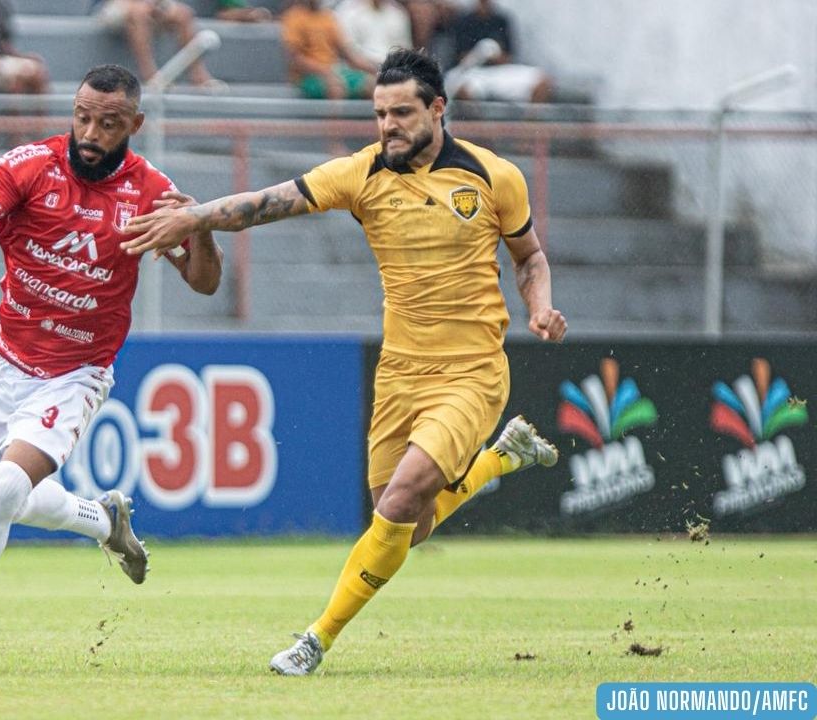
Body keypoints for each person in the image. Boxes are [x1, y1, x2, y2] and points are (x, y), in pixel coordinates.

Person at [122, 47, 567, 676]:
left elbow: (529, 257)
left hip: (472, 372)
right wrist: (197, 217)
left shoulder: (495, 177)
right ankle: (501, 457)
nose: (388, 126)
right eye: (380, 114)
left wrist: (540, 305)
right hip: (400, 373)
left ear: (438, 109)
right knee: (408, 528)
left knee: (404, 497)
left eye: (402, 113)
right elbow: (268, 203)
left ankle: (315, 639)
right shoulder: (362, 174)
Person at [0, 64, 224, 671]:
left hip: (77, 372)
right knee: (11, 503)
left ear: (135, 124)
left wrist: (200, 227)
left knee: (2, 493)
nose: (90, 131)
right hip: (4, 365)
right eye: (82, 116)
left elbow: (205, 283)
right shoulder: (31, 165)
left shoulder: (152, 193)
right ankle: (101, 519)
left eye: (108, 123)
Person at [91, 0, 224, 88]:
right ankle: (151, 77)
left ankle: (199, 77)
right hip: (110, 6)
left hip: (148, 4)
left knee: (183, 14)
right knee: (138, 13)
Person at [445, 0, 552, 103]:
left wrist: (495, 56)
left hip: (499, 73)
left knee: (542, 81)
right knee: (463, 91)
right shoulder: (464, 21)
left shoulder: (501, 20)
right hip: (474, 73)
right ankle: (478, 121)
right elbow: (460, 59)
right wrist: (480, 54)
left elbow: (509, 57)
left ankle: (529, 121)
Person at [280, 0, 381, 101]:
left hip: (334, 71)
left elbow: (347, 53)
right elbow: (296, 59)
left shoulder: (328, 17)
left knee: (373, 84)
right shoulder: (294, 17)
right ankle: (333, 117)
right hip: (307, 76)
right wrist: (325, 72)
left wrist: (374, 70)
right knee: (336, 88)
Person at [334, 0, 413, 69]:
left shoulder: (399, 14)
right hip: (361, 70)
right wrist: (374, 69)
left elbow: (405, 48)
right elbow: (349, 53)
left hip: (393, 68)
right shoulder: (348, 12)